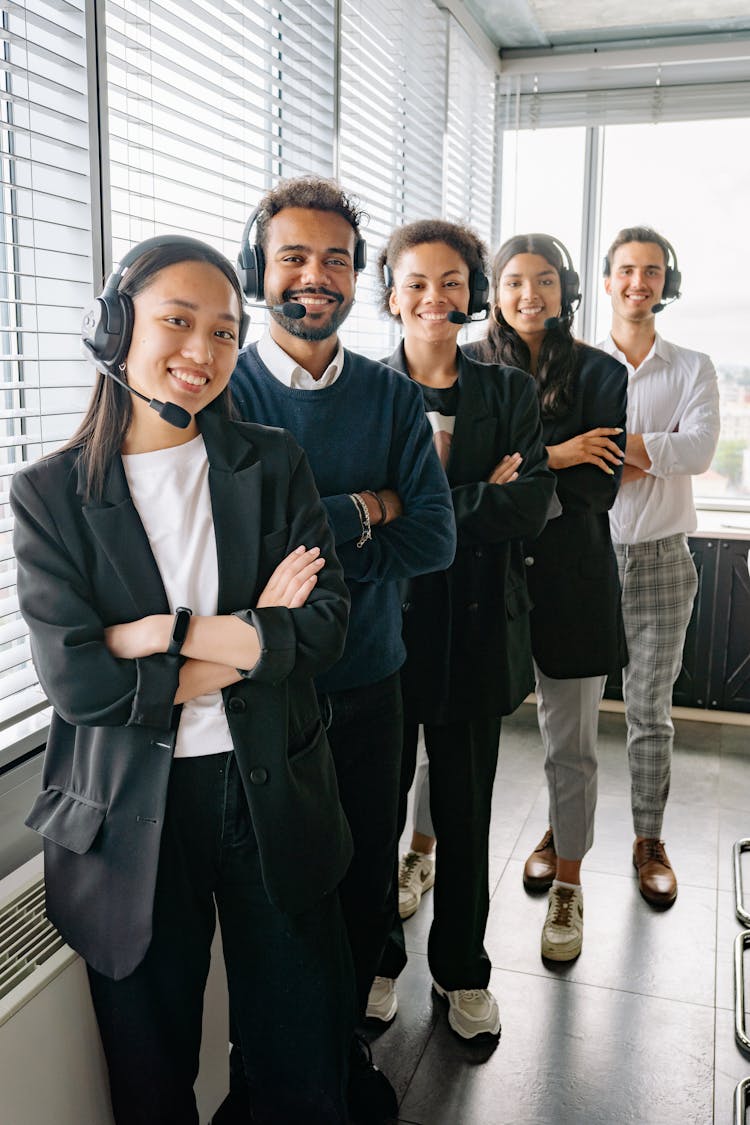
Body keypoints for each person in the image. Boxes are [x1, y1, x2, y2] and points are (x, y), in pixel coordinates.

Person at [10, 235, 355, 1125]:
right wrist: (252, 634)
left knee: (300, 1064)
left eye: (226, 332)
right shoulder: (48, 495)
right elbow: (81, 684)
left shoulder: (271, 461)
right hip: (131, 816)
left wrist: (166, 634)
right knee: (151, 1076)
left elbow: (322, 626)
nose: (203, 352)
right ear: (115, 327)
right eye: (178, 321)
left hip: (269, 791)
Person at [231, 180, 456, 1119]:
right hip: (260, 698)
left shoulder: (393, 399)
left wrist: (301, 539)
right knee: (275, 906)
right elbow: (228, 556)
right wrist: (367, 507)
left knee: (366, 885)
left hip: (368, 684)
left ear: (358, 279)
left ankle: (345, 1062)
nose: (313, 277)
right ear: (259, 272)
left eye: (333, 260)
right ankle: (282, 1080)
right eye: (293, 256)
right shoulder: (217, 388)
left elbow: (435, 538)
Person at [369, 220, 555, 1037]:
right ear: (390, 295)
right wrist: (469, 497)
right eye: (416, 282)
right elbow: (353, 523)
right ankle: (378, 959)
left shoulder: (509, 391)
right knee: (374, 814)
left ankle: (462, 971)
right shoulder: (365, 394)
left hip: (480, 633)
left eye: (451, 281)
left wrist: (411, 507)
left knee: (467, 811)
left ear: (472, 292)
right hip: (384, 634)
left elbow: (529, 504)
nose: (434, 298)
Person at [466, 233, 628, 961]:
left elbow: (598, 488)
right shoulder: (468, 366)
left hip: (574, 585)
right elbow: (464, 483)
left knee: (573, 748)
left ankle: (569, 882)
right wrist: (556, 455)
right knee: (452, 740)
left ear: (566, 289)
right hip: (478, 581)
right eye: (513, 281)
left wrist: (519, 480)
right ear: (494, 291)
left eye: (544, 280)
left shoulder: (600, 372)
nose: (529, 294)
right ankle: (424, 851)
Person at [600, 226, 720, 907]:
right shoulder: (583, 361)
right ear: (609, 278)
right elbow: (555, 448)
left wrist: (612, 447)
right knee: (570, 708)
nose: (638, 282)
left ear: (664, 282)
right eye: (626, 269)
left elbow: (698, 451)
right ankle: (563, 832)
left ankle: (650, 840)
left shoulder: (693, 366)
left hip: (665, 561)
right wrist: (653, 447)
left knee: (651, 709)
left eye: (651, 270)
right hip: (587, 557)